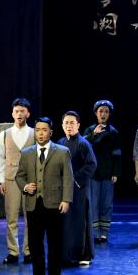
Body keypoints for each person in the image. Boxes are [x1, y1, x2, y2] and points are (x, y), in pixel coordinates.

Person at [15, 117, 72, 275]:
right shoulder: (27, 153)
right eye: (38, 130)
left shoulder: (62, 152)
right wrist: (25, 186)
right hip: (34, 205)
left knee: (55, 243)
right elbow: (19, 176)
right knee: (35, 244)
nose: (40, 133)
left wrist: (66, 199)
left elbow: (68, 178)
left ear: (51, 132)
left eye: (44, 130)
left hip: (54, 204)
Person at [0, 97, 34, 265]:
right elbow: (1, 158)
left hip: (29, 181)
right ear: (12, 113)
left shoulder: (34, 133)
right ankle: (13, 251)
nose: (19, 114)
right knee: (11, 217)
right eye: (16, 111)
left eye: (22, 111)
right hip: (11, 179)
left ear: (28, 113)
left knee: (30, 217)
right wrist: (2, 180)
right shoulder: (4, 134)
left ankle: (28, 251)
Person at [58, 110, 97, 266]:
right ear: (62, 125)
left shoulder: (83, 143)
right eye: (66, 123)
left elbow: (92, 164)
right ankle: (66, 254)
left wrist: (74, 178)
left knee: (80, 220)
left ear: (78, 125)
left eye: (72, 123)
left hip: (79, 189)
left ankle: (83, 254)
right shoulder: (60, 142)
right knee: (66, 221)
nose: (69, 126)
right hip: (64, 189)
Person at [85, 100, 122, 245]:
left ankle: (104, 233)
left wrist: (115, 172)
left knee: (106, 203)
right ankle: (95, 233)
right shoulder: (89, 130)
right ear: (96, 113)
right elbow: (83, 145)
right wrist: (94, 134)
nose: (103, 114)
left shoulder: (113, 132)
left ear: (109, 114)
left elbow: (117, 153)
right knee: (94, 203)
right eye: (101, 111)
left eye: (106, 111)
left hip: (108, 172)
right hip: (93, 173)